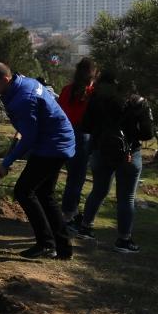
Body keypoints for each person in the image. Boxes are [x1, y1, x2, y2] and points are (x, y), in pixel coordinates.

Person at [0, 62, 76, 259]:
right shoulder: (23, 82)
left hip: (52, 145)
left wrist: (6, 162)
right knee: (45, 194)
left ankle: (46, 244)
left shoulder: (23, 99)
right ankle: (62, 247)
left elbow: (30, 138)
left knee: (24, 191)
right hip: (55, 140)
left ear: (5, 80)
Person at [75, 74, 153, 253]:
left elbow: (85, 126)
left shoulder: (96, 100)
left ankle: (85, 227)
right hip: (129, 153)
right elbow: (148, 133)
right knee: (126, 198)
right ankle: (124, 240)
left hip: (100, 150)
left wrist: (102, 133)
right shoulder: (138, 103)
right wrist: (131, 133)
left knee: (98, 190)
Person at [58, 57, 98, 229]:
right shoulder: (92, 93)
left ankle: (69, 212)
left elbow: (58, 111)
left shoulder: (67, 90)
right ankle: (69, 214)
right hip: (83, 135)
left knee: (71, 176)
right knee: (77, 178)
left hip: (65, 133)